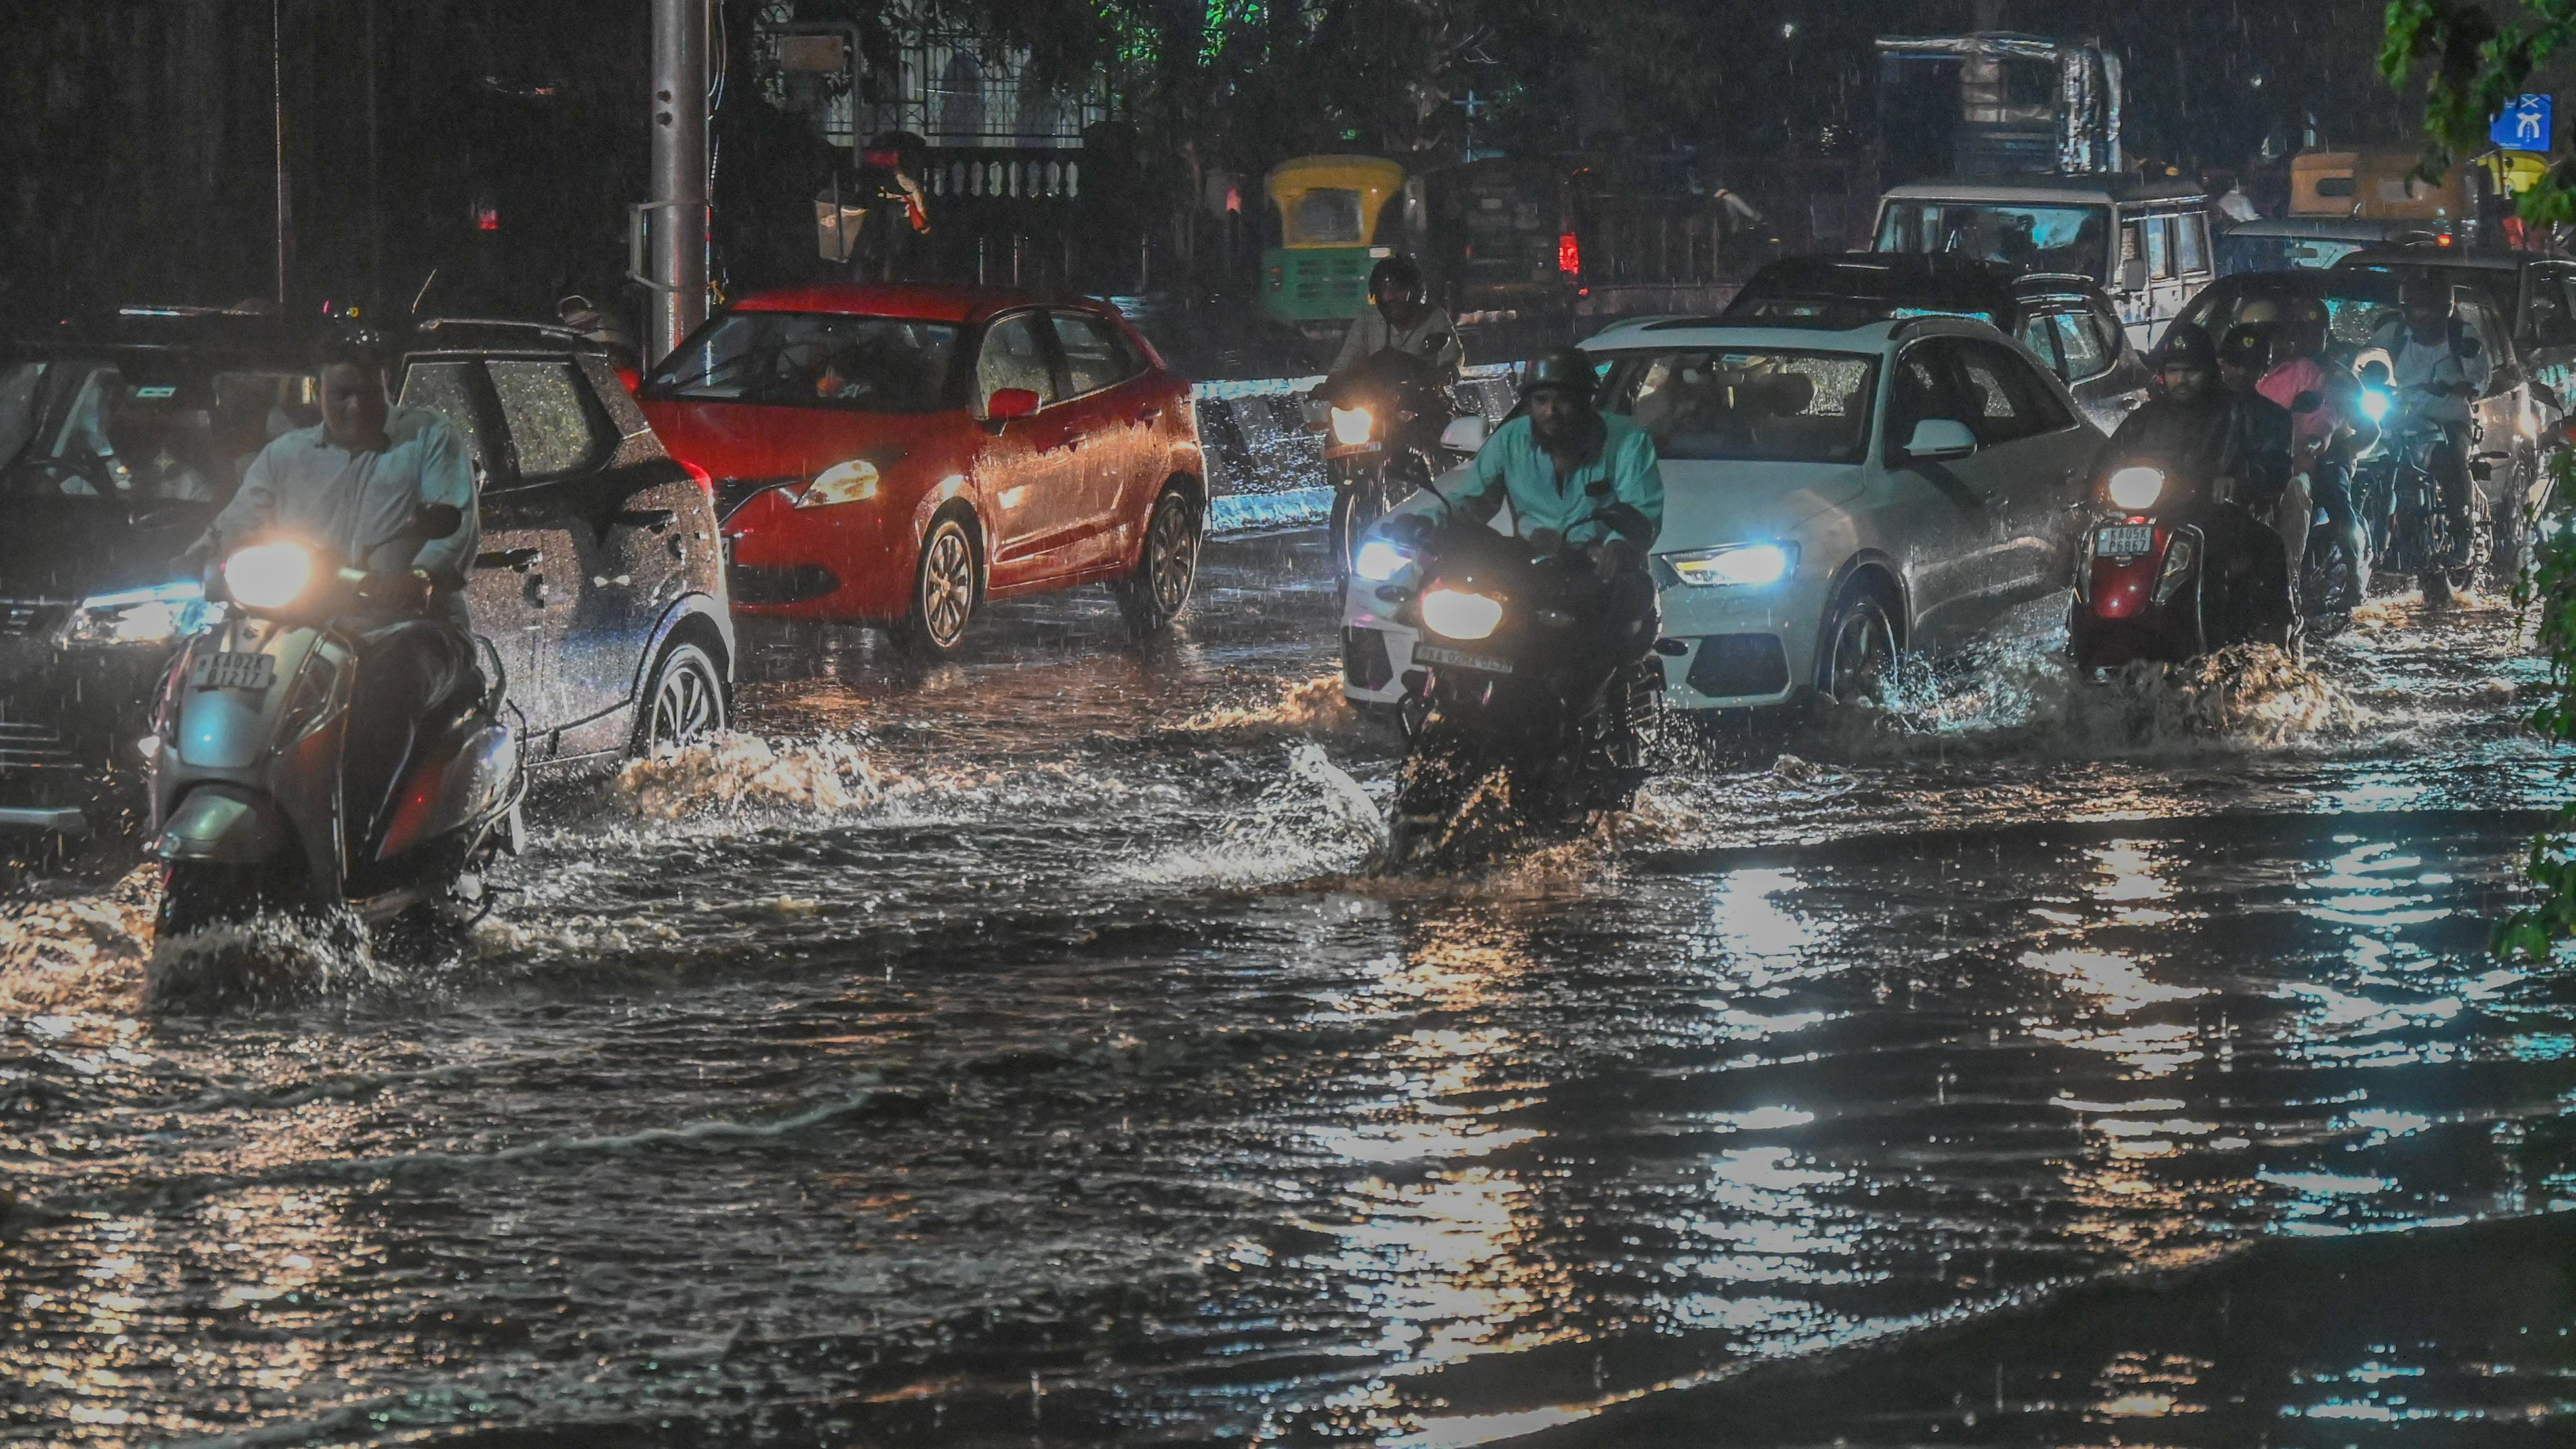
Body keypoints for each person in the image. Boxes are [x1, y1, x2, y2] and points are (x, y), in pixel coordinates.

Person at [191, 332, 482, 842]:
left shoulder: (428, 438)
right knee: (205, 666)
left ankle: (355, 836)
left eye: (366, 393)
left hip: (407, 628)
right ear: (318, 390)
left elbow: (454, 525)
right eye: (340, 394)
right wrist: (200, 556)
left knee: (387, 689)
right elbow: (235, 524)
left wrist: (417, 577)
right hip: (299, 630)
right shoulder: (286, 455)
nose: (354, 407)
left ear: (386, 383)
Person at [1387, 348, 1665, 685]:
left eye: (1563, 401)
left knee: (1594, 652)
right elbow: (1470, 499)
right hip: (1531, 569)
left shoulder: (1628, 439)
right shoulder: (1510, 440)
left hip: (1598, 573)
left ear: (1586, 400)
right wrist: (1429, 521)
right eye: (1541, 400)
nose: (1551, 412)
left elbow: (1641, 508)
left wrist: (1617, 546)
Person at [2097, 323, 2294, 643]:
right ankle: (2087, 629)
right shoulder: (2146, 417)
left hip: (2210, 515)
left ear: (2210, 371)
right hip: (2147, 515)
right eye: (2174, 371)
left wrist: (2238, 482)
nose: (2182, 379)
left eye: (2191, 371)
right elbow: (2109, 457)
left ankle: (2275, 636)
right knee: (2093, 546)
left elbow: (2272, 464)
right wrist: (2093, 486)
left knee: (2268, 544)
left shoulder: (2238, 412)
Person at [2257, 296, 2373, 597]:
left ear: (2326, 333)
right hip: (2281, 457)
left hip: (2327, 457)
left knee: (2336, 499)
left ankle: (2354, 572)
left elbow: (2368, 429)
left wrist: (2343, 449)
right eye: (2297, 330)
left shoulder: (2341, 380)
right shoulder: (2271, 375)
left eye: (2312, 331)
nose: (2303, 338)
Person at [2369, 273, 2489, 564]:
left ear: (2444, 309)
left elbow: (2480, 374)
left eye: (2428, 309)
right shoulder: (2393, 334)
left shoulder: (2462, 336)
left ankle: (2463, 536)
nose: (2421, 316)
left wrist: (2467, 386)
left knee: (2451, 462)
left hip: (2449, 418)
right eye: (2416, 308)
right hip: (2400, 417)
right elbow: (2368, 359)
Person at [2216, 321, 2303, 576]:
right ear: (2223, 364)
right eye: (2236, 364)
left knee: (2269, 553)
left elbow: (2276, 466)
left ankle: (2290, 584)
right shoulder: (2199, 407)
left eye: (2251, 366)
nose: (2242, 372)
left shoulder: (2275, 416)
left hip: (2243, 506)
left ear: (2264, 370)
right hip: (2187, 497)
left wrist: (2242, 481)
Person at [1329, 254, 1464, 382]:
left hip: (1422, 394)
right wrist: (1330, 385)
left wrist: (1446, 372)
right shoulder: (1367, 321)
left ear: (1415, 291)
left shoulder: (1434, 317)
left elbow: (1453, 355)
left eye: (1398, 289)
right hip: (1376, 395)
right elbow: (1344, 362)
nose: (1390, 295)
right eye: (1384, 289)